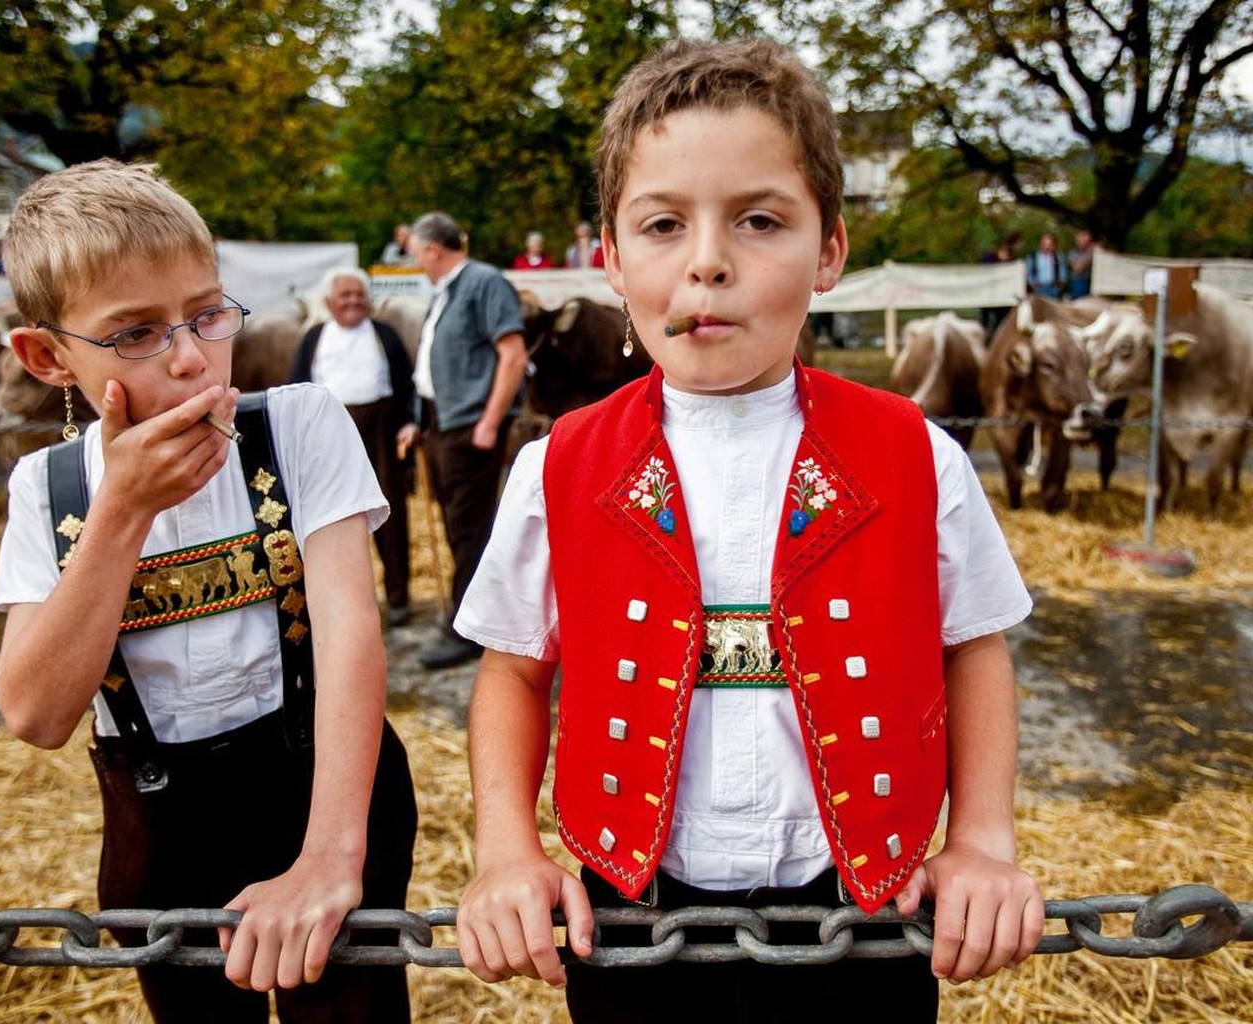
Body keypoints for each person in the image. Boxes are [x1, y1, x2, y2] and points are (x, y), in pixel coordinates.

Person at [453, 37, 1043, 1024]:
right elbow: (514, 670)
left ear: (830, 250)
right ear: (609, 255)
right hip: (631, 912)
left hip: (866, 908)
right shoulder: (554, 467)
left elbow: (972, 647)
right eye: (663, 225)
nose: (708, 261)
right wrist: (508, 850)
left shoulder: (916, 453)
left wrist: (982, 839)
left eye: (759, 220)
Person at [0, 158, 417, 1023]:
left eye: (207, 313)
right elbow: (37, 715)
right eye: (136, 334)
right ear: (47, 356)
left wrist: (332, 858)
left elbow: (349, 640)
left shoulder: (298, 426)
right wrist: (121, 512)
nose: (191, 358)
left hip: (325, 797)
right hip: (162, 832)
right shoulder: (48, 490)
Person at [406, 210, 529, 669]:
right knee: (459, 525)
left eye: (417, 253)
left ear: (433, 250)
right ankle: (466, 617)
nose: (417, 261)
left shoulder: (484, 282)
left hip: (470, 427)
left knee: (470, 527)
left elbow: (512, 356)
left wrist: (490, 421)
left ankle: (469, 629)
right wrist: (417, 420)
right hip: (443, 424)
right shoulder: (448, 291)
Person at [288, 266, 419, 627]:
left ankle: (398, 598)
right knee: (335, 518)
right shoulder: (314, 337)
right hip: (328, 436)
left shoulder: (385, 335)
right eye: (345, 295)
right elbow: (295, 389)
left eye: (359, 294)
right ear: (330, 302)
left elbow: (406, 383)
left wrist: (410, 421)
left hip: (382, 429)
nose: (353, 301)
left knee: (392, 516)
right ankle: (343, 604)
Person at [1024, 231, 1067, 299]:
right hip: (1038, 288)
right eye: (1044, 244)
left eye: (1050, 244)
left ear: (1054, 245)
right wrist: (1032, 284)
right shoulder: (1033, 257)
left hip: (1053, 288)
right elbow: (1028, 273)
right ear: (1040, 244)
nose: (1047, 247)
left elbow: (1063, 272)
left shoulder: (1058, 257)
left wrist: (1060, 285)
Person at [1065, 229, 1097, 299]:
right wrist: (1090, 251)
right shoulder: (1072, 254)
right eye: (1080, 240)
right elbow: (1077, 269)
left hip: (1091, 283)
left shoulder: (1094, 252)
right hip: (1078, 284)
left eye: (1086, 241)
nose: (1083, 243)